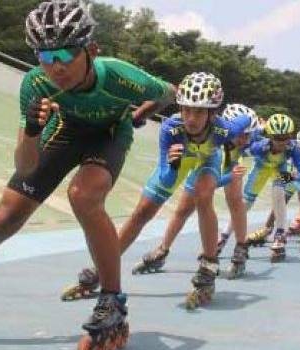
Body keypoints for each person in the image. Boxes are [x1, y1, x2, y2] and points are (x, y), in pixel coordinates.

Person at [0, 1, 176, 348]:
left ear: (91, 50)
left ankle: (111, 301)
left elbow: (169, 92)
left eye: (66, 54)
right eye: (44, 55)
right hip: (65, 130)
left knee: (84, 195)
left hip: (109, 133)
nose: (56, 67)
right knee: (5, 215)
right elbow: (24, 167)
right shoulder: (36, 84)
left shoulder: (121, 77)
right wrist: (32, 130)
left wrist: (145, 111)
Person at [58, 72, 250, 311]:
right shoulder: (171, 128)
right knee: (142, 212)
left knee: (203, 195)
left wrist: (230, 172)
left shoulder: (224, 130)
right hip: (178, 161)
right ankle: (103, 267)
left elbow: (240, 131)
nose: (190, 118)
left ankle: (209, 265)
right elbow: (166, 177)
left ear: (212, 112)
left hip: (207, 160)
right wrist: (173, 165)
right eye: (186, 109)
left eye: (199, 111)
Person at [131, 103, 260, 280]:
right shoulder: (218, 131)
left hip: (226, 159)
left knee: (235, 200)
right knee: (183, 209)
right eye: (242, 135)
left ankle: (240, 247)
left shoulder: (240, 144)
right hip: (203, 159)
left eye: (249, 136)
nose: (245, 140)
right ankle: (163, 249)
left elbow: (231, 198)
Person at [243, 114, 300, 262]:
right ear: (270, 136)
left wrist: (295, 176)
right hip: (261, 169)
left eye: (285, 137)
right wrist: (259, 129)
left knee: (279, 189)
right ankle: (225, 236)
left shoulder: (292, 147)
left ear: (290, 136)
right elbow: (241, 149)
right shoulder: (260, 146)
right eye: (277, 138)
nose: (282, 142)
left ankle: (280, 234)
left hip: (279, 169)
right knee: (245, 203)